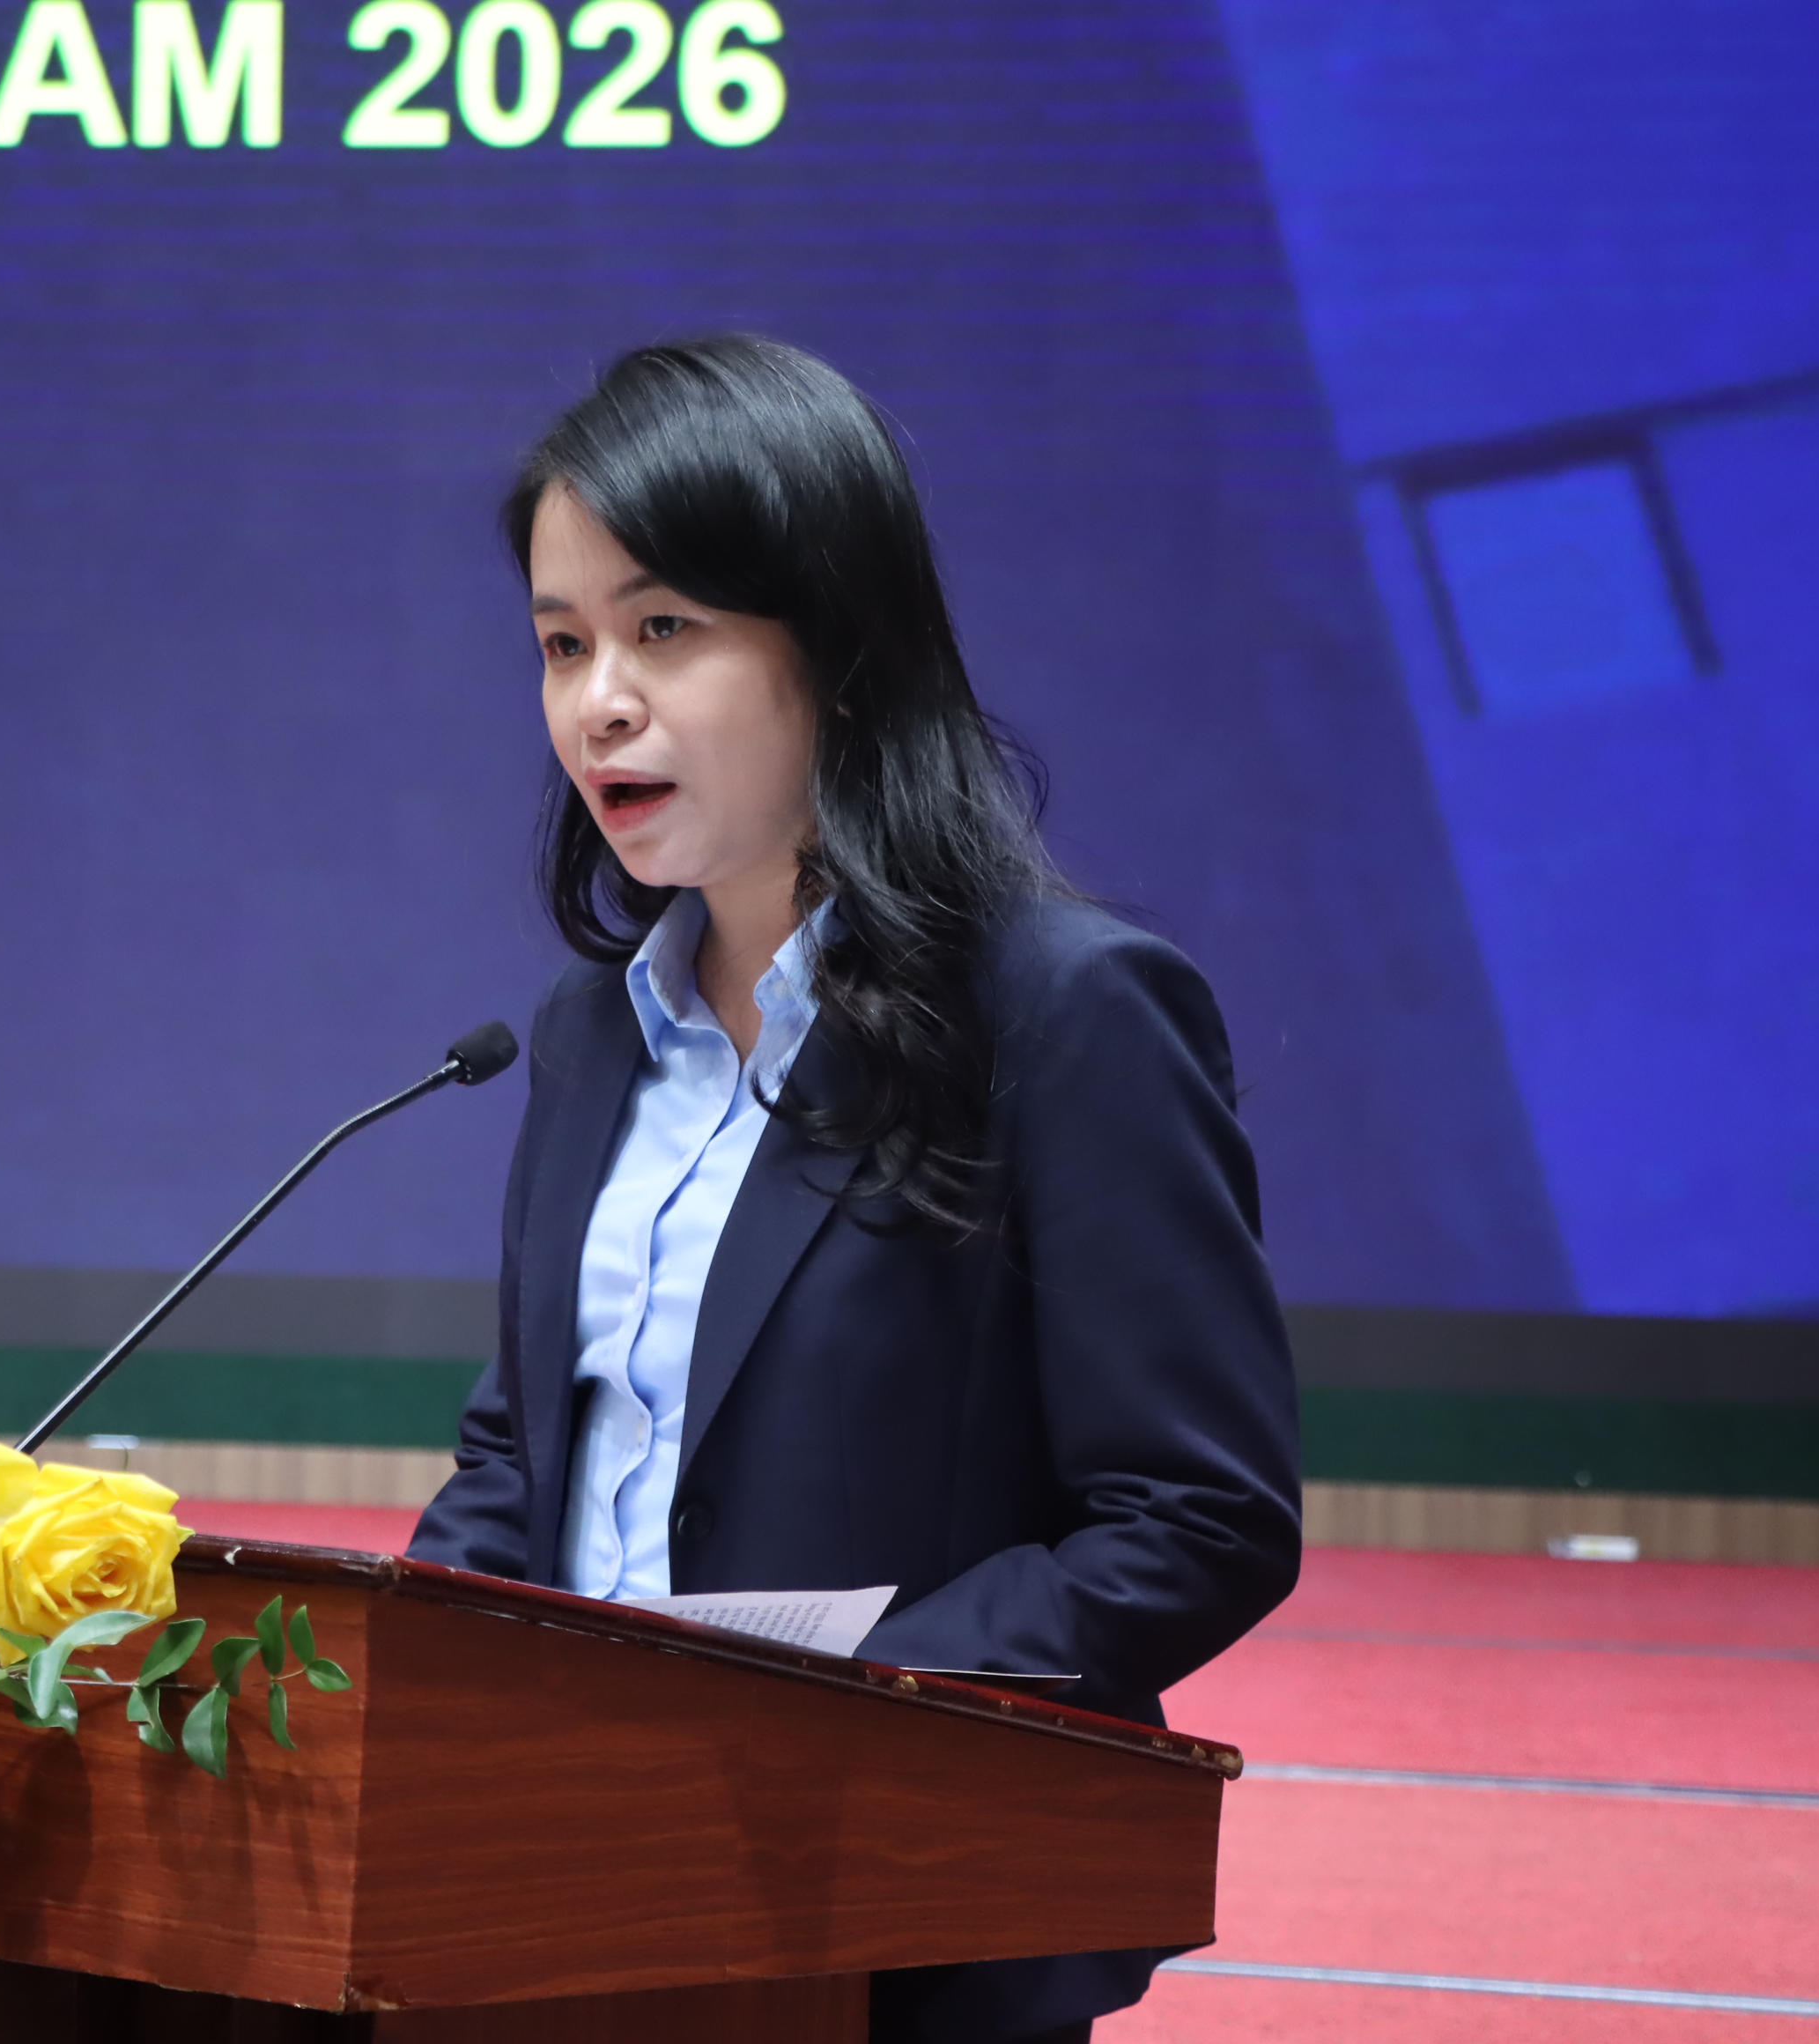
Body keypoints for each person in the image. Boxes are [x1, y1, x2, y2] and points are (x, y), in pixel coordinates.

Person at [406, 336, 1304, 2044]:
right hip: (558, 1897)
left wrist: (829, 1697)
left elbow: (1195, 1520)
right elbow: (521, 1458)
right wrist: (410, 1707)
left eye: (666, 628)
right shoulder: (589, 1034)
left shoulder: (1061, 1012)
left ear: (835, 641)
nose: (599, 700)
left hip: (891, 1924)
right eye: (561, 642)